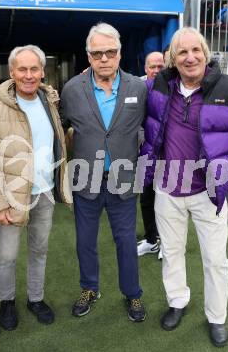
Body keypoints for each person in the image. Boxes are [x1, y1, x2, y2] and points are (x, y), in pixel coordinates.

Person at [140, 27, 228, 347]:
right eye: (182, 52)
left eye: (196, 50)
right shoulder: (159, 85)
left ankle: (216, 317)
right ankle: (177, 301)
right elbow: (144, 123)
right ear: (173, 59)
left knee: (216, 260)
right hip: (167, 190)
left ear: (206, 53)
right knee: (171, 252)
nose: (190, 57)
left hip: (208, 193)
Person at [60, 22, 147, 322]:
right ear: (88, 56)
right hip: (86, 180)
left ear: (120, 54)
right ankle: (89, 288)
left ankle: (133, 293)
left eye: (110, 52)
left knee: (126, 241)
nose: (104, 59)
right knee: (85, 241)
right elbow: (58, 127)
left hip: (123, 179)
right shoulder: (72, 89)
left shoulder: (138, 87)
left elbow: (150, 126)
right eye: (97, 53)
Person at [0, 45, 71, 331]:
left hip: (43, 192)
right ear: (12, 72)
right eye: (22, 69)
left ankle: (36, 298)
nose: (29, 75)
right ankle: (7, 302)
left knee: (39, 249)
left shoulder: (49, 100)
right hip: (10, 196)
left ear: (42, 72)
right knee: (7, 255)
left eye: (34, 69)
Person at [137, 51, 165, 259]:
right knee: (146, 199)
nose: (156, 70)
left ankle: (167, 243)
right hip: (145, 153)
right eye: (152, 67)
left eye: (160, 66)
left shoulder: (173, 87)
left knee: (166, 201)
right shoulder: (137, 88)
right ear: (145, 68)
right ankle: (150, 240)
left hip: (168, 155)